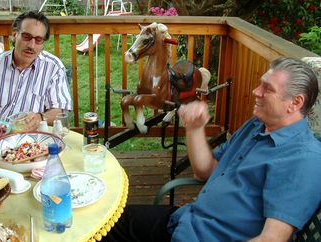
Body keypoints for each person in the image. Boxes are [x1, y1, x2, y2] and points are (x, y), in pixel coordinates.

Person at [101, 57, 321, 242]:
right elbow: (205, 171)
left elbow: (270, 239)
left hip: (206, 236)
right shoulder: (257, 125)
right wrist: (195, 128)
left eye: (267, 89)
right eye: (260, 83)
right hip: (186, 221)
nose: (256, 91)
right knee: (103, 224)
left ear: (295, 103)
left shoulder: (304, 160)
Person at [0, 11, 72, 131]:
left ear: (43, 43)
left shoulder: (53, 68)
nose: (31, 45)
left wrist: (41, 117)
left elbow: (60, 110)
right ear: (14, 34)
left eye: (38, 39)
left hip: (33, 140)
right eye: (26, 37)